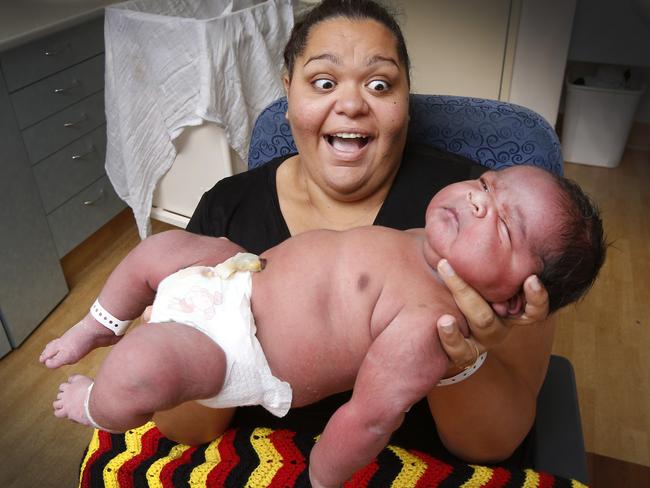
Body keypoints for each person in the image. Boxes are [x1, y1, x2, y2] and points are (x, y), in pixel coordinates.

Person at [79, 0, 561, 471]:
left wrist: (461, 359)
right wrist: (184, 323)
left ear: (406, 101)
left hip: (411, 464)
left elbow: (493, 445)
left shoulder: (486, 224)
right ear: (289, 93)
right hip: (251, 457)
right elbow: (188, 430)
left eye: (379, 84)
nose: (350, 104)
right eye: (324, 82)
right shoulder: (227, 209)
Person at [43, 165, 605, 487]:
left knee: (142, 369)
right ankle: (98, 325)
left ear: (513, 301)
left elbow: (368, 417)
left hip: (237, 349)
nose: (478, 202)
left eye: (505, 226)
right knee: (158, 248)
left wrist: (320, 480)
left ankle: (98, 405)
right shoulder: (423, 238)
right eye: (486, 184)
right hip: (233, 274)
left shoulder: (432, 323)